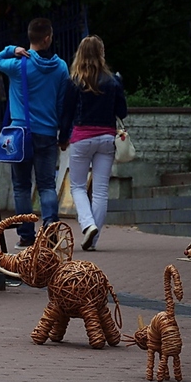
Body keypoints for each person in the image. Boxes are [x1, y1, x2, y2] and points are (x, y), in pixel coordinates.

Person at [0, 18, 69, 250]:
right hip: (47, 133)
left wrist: (11, 49)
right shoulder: (61, 68)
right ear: (47, 38)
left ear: (31, 38)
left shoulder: (18, 66)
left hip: (20, 134)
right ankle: (51, 230)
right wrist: (62, 134)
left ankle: (26, 235)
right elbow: (62, 103)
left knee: (22, 186)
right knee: (46, 185)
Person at [59, 35, 127, 252]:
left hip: (81, 138)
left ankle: (88, 225)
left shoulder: (74, 81)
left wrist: (62, 139)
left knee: (78, 186)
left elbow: (66, 114)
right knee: (100, 192)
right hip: (106, 139)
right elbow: (122, 112)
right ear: (101, 54)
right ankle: (93, 239)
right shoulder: (113, 81)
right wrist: (121, 86)